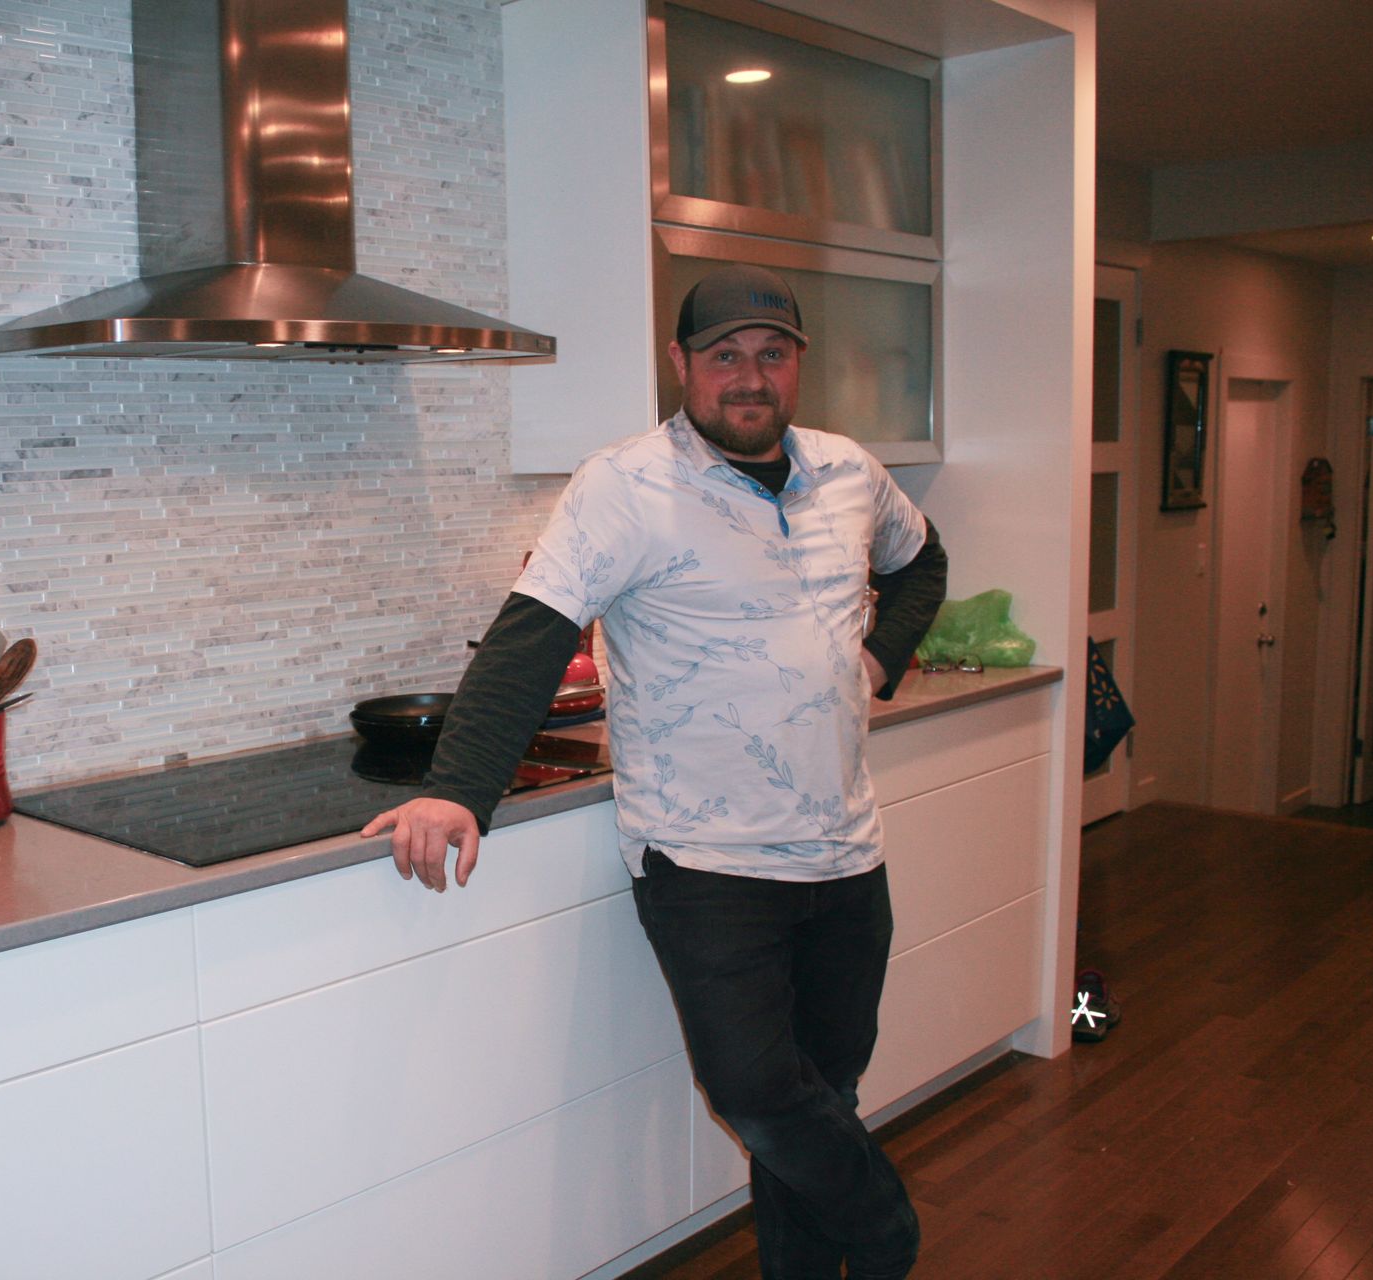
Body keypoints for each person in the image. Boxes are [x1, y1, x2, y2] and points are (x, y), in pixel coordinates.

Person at [362, 263, 947, 1280]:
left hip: (849, 853)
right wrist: (461, 787)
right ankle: (889, 1231)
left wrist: (876, 660)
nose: (749, 376)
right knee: (760, 1091)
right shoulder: (626, 485)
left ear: (797, 364)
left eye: (772, 353)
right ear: (681, 364)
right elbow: (531, 636)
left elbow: (921, 560)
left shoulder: (851, 473)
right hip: (707, 861)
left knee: (821, 1097)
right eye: (725, 355)